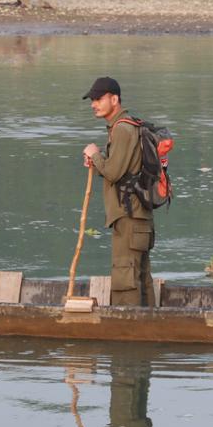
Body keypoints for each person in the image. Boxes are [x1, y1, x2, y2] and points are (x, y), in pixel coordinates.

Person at [80, 76, 155, 306]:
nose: (94, 104)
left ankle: (131, 333)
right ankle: (148, 328)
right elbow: (123, 171)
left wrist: (95, 154)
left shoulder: (122, 129)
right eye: (92, 99)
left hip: (128, 216)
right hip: (137, 217)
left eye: (99, 98)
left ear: (115, 99)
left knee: (126, 278)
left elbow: (113, 173)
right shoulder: (127, 126)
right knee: (140, 277)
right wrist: (99, 161)